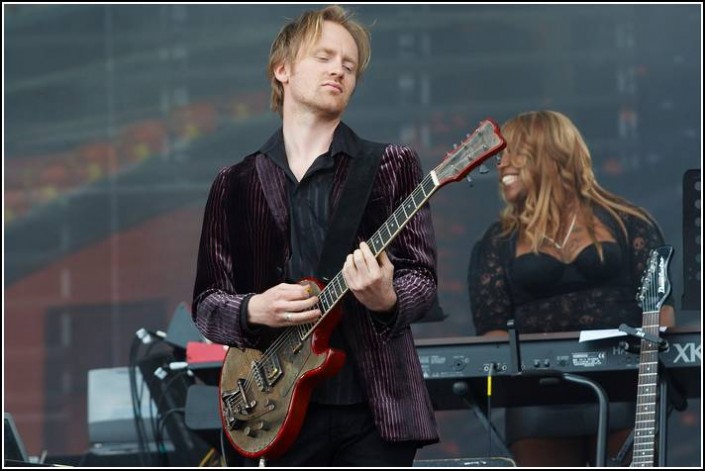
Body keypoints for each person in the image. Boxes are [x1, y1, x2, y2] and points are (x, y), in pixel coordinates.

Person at [192, 5, 439, 467]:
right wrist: (254, 309)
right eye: (324, 56)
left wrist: (386, 297)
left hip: (375, 408)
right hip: (274, 409)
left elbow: (421, 279)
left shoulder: (390, 165)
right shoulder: (235, 182)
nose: (338, 70)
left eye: (349, 65)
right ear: (282, 69)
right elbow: (207, 303)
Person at [467, 110, 675, 467]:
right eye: (500, 156)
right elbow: (493, 334)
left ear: (551, 153)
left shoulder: (629, 223)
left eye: (513, 152)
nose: (502, 165)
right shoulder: (497, 242)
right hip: (537, 398)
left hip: (627, 387)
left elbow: (661, 312)